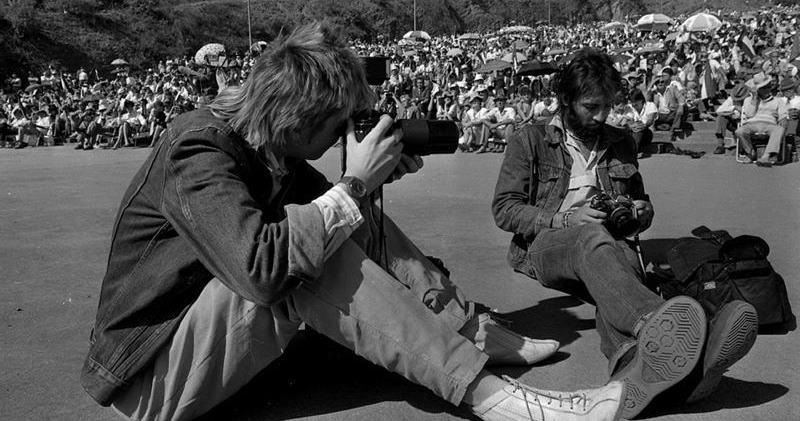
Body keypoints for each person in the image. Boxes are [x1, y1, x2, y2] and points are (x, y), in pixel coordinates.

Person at [80, 23, 624, 421]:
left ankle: (466, 327)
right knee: (309, 257)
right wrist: (354, 185)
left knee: (337, 223)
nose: (347, 136)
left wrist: (366, 188)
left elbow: (348, 221)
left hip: (200, 339)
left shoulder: (275, 152)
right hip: (149, 376)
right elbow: (259, 270)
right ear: (296, 121)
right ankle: (495, 399)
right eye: (339, 125)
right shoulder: (195, 148)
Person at [491, 49, 758, 420]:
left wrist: (640, 212)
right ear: (565, 100)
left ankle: (653, 371)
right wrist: (568, 219)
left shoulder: (620, 141)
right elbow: (505, 209)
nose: (601, 116)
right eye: (591, 106)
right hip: (548, 246)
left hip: (611, 247)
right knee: (591, 238)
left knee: (612, 283)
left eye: (607, 106)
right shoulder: (531, 139)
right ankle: (656, 322)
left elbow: (637, 200)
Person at [735, 72, 789, 166]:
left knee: (780, 129)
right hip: (752, 123)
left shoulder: (778, 100)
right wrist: (755, 99)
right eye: (764, 87)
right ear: (758, 89)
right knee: (739, 131)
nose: (767, 89)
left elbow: (783, 115)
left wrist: (783, 119)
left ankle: (766, 156)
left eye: (768, 86)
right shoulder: (749, 100)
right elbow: (749, 114)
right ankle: (750, 152)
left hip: (770, 124)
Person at [713, 83, 749, 154]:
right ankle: (720, 145)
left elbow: (750, 113)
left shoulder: (750, 100)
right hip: (734, 123)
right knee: (721, 118)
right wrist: (733, 108)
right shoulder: (731, 99)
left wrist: (741, 110)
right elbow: (719, 111)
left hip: (746, 122)